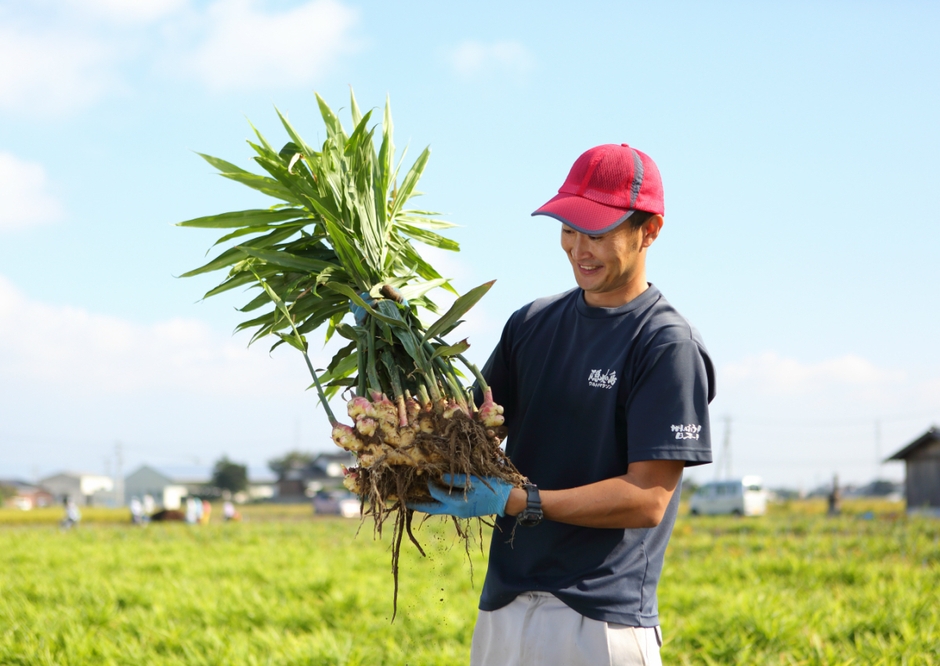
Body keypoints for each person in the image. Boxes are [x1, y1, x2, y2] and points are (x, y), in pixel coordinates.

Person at [410, 143, 715, 665]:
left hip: (598, 618)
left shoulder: (665, 343)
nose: (579, 248)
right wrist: (394, 343)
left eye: (598, 232)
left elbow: (647, 499)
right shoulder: (530, 324)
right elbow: (467, 432)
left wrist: (520, 501)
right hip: (504, 606)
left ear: (650, 230)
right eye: (569, 228)